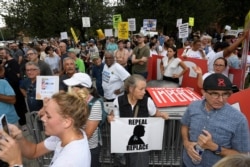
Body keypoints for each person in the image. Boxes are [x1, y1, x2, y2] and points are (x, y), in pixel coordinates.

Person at [0, 92, 91, 167]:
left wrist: (15, 163)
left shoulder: (69, 161)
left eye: (48, 116)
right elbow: (34, 151)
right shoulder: (69, 134)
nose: (43, 119)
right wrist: (19, 137)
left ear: (66, 122)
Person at [181, 73, 250, 167]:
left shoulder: (239, 119)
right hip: (187, 163)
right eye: (215, 94)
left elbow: (243, 156)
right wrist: (186, 143)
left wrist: (215, 147)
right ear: (204, 92)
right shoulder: (193, 106)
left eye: (225, 94)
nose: (221, 99)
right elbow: (185, 125)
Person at [108, 74, 169, 167]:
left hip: (140, 147)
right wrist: (110, 118)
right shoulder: (118, 100)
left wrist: (162, 115)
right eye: (141, 89)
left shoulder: (148, 102)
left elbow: (155, 113)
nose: (144, 92)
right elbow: (113, 115)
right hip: (123, 143)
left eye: (145, 89)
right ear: (131, 89)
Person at [63, 72, 102, 167]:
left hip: (88, 148)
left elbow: (88, 133)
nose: (70, 89)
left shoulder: (95, 104)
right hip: (72, 145)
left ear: (82, 88)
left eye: (72, 86)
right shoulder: (71, 101)